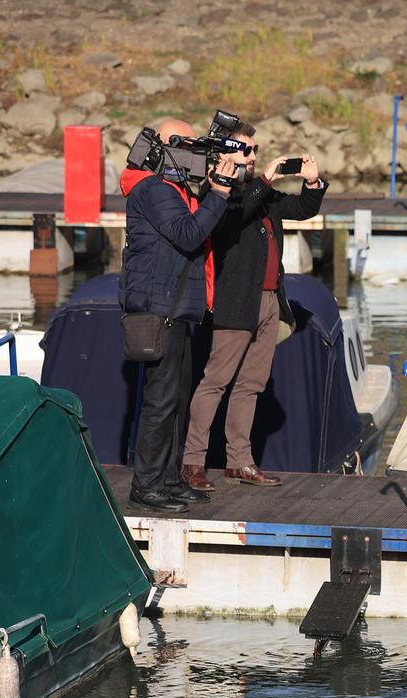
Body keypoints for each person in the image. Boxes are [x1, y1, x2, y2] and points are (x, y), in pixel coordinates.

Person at [181, 125, 328, 492]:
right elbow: (233, 217)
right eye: (245, 150)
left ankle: (240, 462)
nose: (252, 156)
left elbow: (302, 209)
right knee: (215, 382)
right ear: (224, 153)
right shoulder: (216, 191)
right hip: (235, 302)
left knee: (251, 385)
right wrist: (264, 179)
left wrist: (312, 182)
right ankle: (193, 462)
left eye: (255, 149)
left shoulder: (261, 193)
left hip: (269, 300)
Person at [119, 117, 238, 514]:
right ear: (168, 145)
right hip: (159, 311)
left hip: (176, 310)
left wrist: (217, 191)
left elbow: (197, 228)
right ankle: (146, 487)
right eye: (190, 145)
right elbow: (188, 235)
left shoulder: (175, 189)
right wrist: (217, 193)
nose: (198, 153)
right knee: (160, 403)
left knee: (176, 402)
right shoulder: (154, 189)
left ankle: (169, 480)